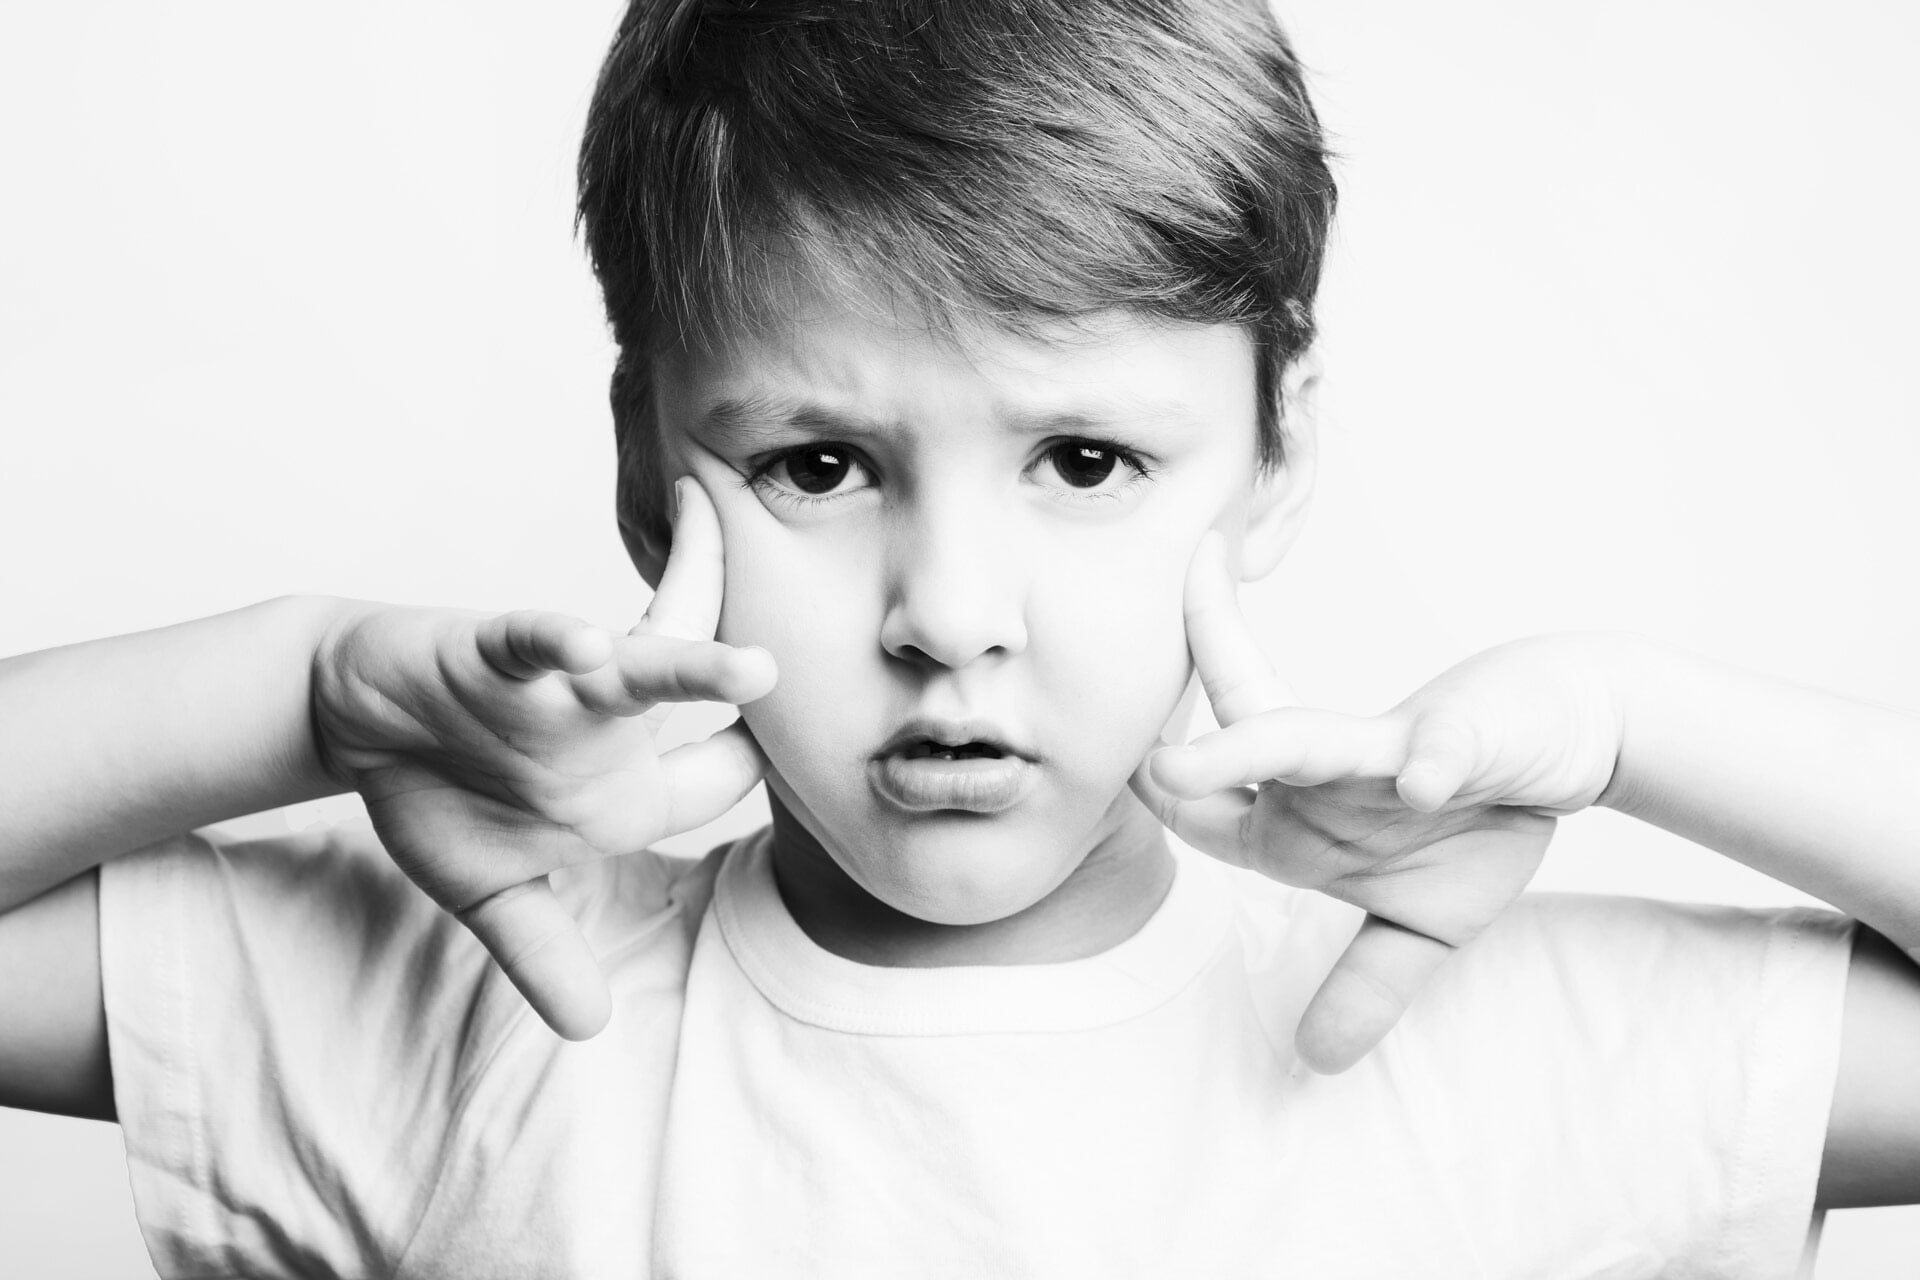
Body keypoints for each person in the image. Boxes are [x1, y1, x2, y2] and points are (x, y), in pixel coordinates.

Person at [3, 0, 1918, 1275]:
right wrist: (306, 689)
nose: (950, 618)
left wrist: (1627, 722)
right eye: (821, 465)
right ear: (648, 473)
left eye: (1083, 460)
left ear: (1274, 457)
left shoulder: (1493, 1050)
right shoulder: (451, 1022)